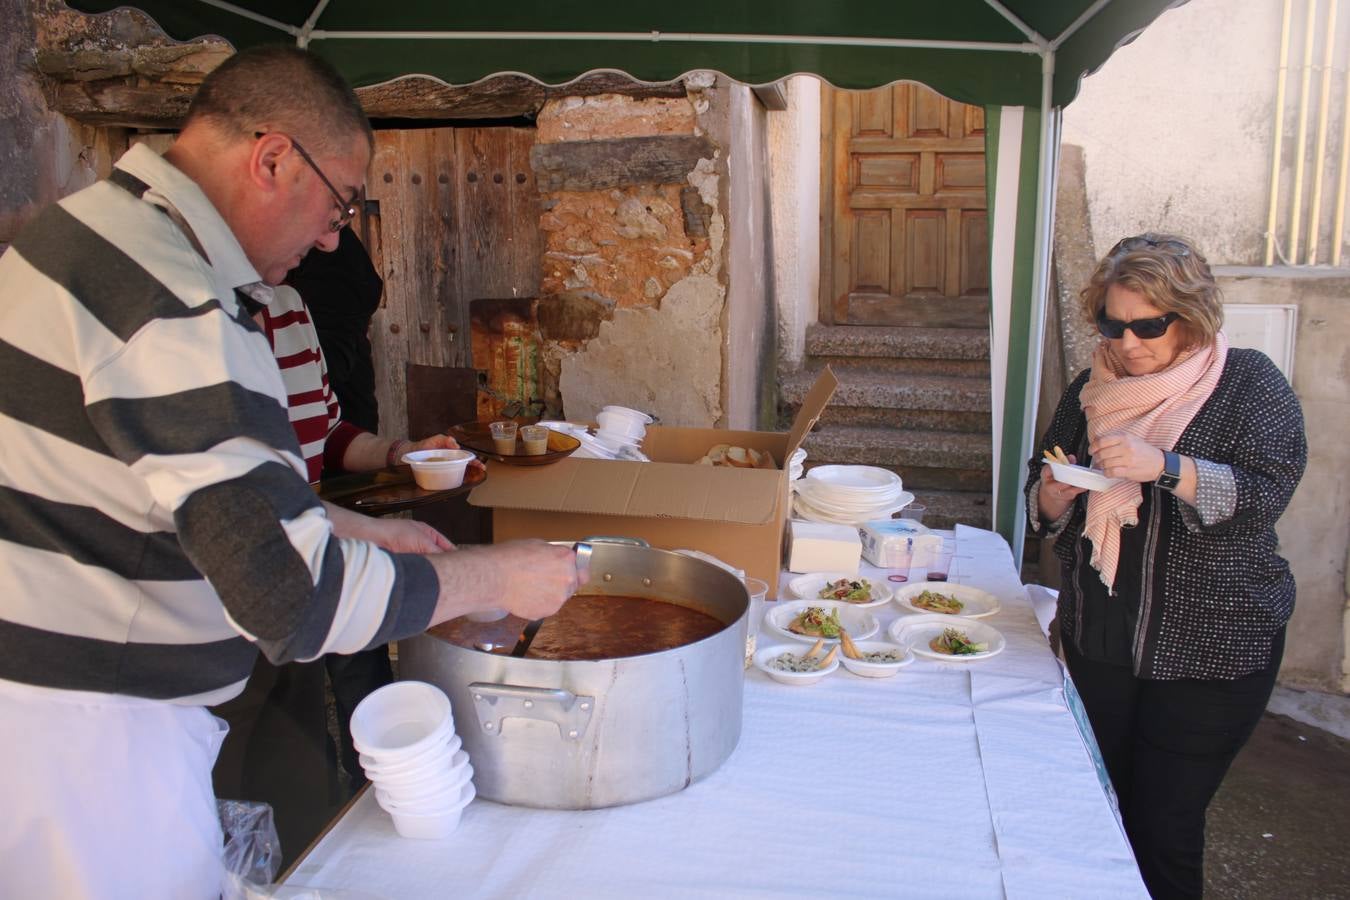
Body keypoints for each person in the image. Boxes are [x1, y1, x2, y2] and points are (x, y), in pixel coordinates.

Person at [0, 46, 580, 899]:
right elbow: (294, 601)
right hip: (93, 740)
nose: (331, 236)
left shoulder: (78, 232)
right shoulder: (176, 303)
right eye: (339, 203)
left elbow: (164, 492)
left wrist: (357, 526)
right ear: (272, 158)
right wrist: (497, 574)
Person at [1025, 233, 1306, 899]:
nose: (1128, 343)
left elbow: (1267, 493)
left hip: (1210, 651)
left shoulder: (1247, 383)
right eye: (1112, 324)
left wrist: (1170, 470)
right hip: (1103, 643)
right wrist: (1054, 494)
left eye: (1149, 325)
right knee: (1102, 809)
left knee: (1163, 828)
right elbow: (1045, 494)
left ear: (1193, 315)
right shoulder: (1090, 388)